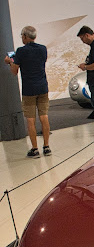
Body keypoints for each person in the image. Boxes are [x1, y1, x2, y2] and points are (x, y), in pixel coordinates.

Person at [4, 25, 51, 158]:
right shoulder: (43, 49)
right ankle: (47, 147)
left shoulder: (20, 51)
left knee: (30, 119)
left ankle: (35, 149)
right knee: (44, 116)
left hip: (29, 89)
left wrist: (10, 61)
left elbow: (14, 71)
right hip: (43, 87)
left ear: (25, 36)